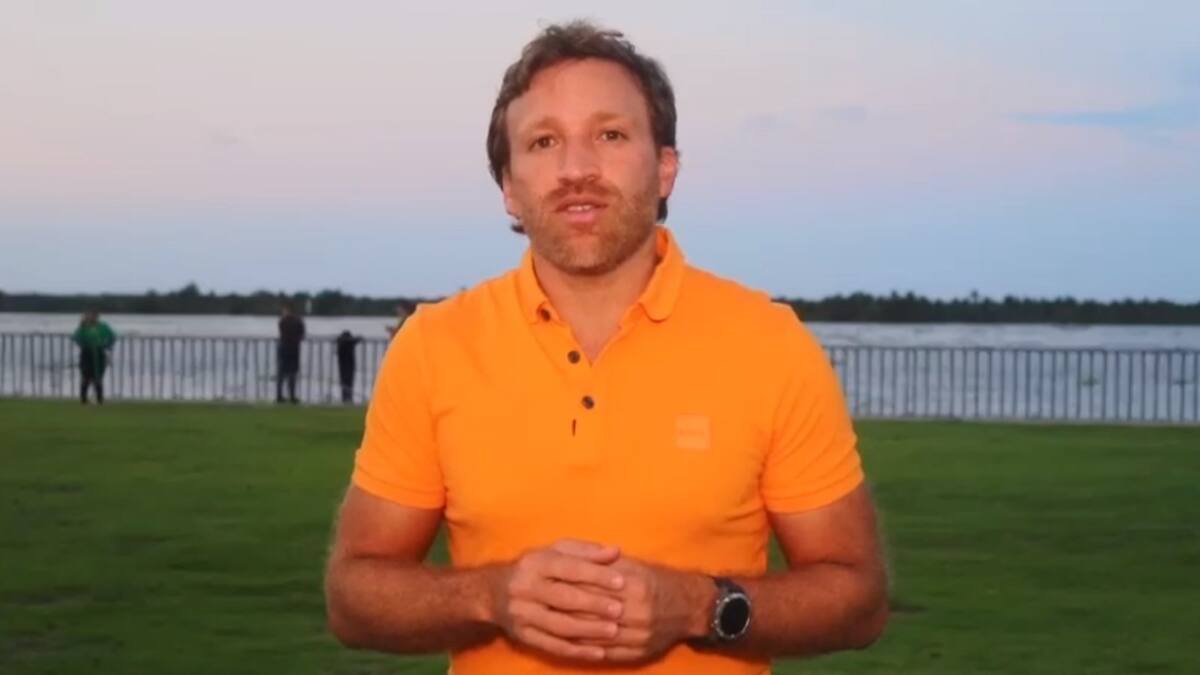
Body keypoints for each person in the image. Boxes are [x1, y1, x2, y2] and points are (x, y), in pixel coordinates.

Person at [325, 21, 888, 675]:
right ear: (509, 187)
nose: (576, 170)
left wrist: (698, 607)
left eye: (610, 135)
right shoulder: (434, 346)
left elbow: (859, 599)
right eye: (544, 142)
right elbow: (353, 596)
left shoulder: (770, 344)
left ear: (666, 168)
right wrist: (489, 596)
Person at [72, 310, 116, 404]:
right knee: (86, 376)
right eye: (89, 316)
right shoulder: (83, 327)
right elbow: (75, 337)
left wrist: (107, 345)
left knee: (98, 377)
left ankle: (100, 400)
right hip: (86, 353)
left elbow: (112, 336)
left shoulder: (103, 326)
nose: (91, 318)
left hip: (99, 352)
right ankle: (84, 400)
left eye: (93, 316)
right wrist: (83, 344)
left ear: (97, 317)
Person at [276, 302, 305, 403]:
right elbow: (302, 334)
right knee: (291, 373)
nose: (283, 312)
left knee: (282, 373)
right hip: (293, 348)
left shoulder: (282, 321)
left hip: (284, 348)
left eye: (284, 310)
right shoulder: (298, 320)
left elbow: (282, 331)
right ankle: (291, 396)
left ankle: (280, 396)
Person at [335, 330, 364, 404]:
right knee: (347, 382)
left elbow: (358, 339)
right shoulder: (347, 342)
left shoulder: (342, 342)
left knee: (346, 382)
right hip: (347, 365)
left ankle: (346, 398)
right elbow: (358, 339)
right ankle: (347, 398)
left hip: (345, 365)